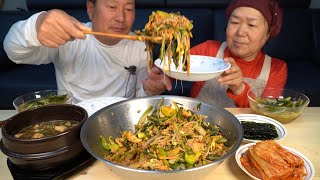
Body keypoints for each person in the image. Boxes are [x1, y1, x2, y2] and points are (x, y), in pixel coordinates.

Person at [3, 0, 171, 103]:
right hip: (74, 122)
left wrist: (151, 89)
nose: (121, 17)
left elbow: (138, 99)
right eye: (112, 6)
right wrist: (37, 25)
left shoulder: (141, 45)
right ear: (91, 9)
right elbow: (13, 51)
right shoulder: (69, 36)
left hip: (120, 122)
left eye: (129, 9)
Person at [190, 0, 287, 107]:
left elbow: (267, 113)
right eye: (235, 22)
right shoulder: (207, 50)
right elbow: (173, 65)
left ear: (267, 34)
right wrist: (167, 76)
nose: (240, 32)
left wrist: (239, 89)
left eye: (251, 25)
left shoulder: (276, 69)